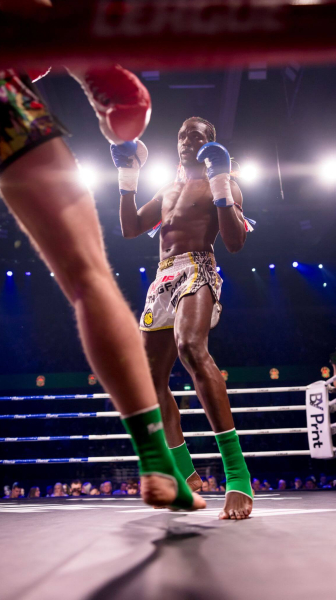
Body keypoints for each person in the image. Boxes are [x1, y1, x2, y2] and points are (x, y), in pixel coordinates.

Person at [0, 12, 203, 513]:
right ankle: (156, 461)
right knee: (87, 276)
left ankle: (166, 465)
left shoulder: (204, 185)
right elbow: (34, 14)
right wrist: (91, 73)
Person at [113, 117, 253, 520]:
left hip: (198, 266)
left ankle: (238, 476)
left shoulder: (222, 183)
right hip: (162, 276)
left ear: (210, 143)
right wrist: (128, 175)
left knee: (191, 347)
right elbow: (129, 228)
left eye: (197, 135)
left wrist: (221, 182)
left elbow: (235, 242)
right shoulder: (167, 189)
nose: (187, 140)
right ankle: (185, 473)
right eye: (182, 135)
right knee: (149, 381)